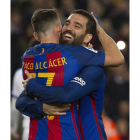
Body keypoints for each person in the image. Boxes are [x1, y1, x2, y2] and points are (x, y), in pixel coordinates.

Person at [16, 9, 124, 140]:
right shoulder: (56, 63)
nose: (68, 28)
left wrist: (99, 30)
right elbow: (22, 101)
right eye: (67, 23)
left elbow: (66, 94)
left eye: (77, 26)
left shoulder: (93, 66)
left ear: (88, 37)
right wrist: (42, 107)